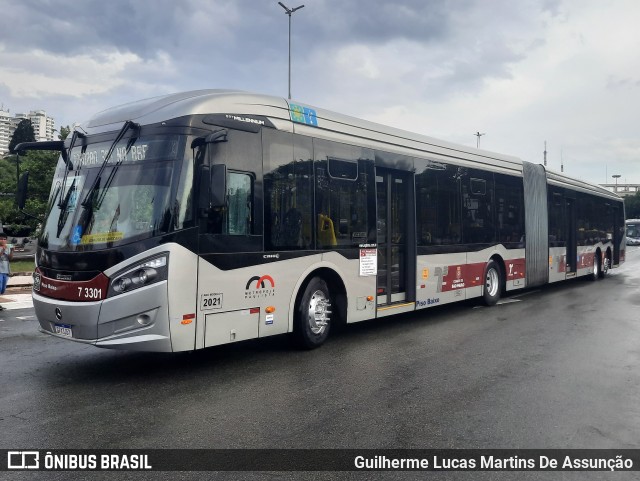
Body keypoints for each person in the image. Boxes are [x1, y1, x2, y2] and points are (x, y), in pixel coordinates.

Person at [0, 234, 13, 310]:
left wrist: (11, 251)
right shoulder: (3, 248)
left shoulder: (7, 247)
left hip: (6, 270)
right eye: (1, 239)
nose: (3, 240)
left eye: (4, 239)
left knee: (2, 289)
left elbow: (10, 258)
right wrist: (3, 249)